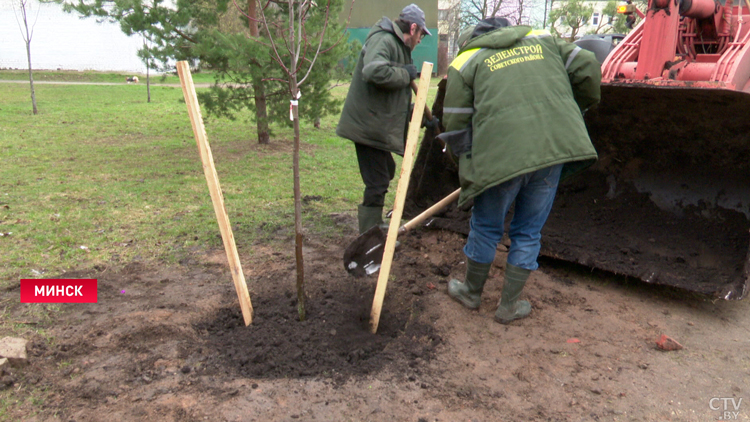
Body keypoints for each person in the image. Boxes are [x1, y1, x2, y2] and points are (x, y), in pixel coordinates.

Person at [441, 18, 601, 324]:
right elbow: (589, 65)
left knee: (487, 226)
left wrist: (466, 161)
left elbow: (457, 123)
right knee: (528, 230)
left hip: (501, 157)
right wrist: (574, 107)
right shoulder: (544, 39)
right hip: (551, 148)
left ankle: (471, 294)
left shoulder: (466, 61)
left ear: (470, 39)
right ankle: (508, 306)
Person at [337, 4, 438, 234]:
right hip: (366, 126)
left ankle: (374, 225)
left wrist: (420, 117)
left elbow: (393, 101)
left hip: (374, 124)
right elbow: (373, 71)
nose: (421, 40)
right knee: (378, 179)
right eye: (421, 33)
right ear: (413, 28)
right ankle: (369, 235)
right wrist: (405, 73)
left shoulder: (399, 46)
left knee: (386, 171)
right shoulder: (384, 39)